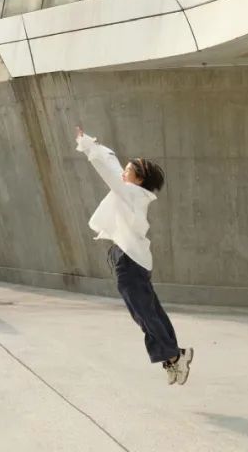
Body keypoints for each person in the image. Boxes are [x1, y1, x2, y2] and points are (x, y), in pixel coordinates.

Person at [74, 126, 194, 385]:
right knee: (150, 311)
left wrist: (88, 147)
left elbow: (108, 172)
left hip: (129, 261)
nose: (123, 172)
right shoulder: (133, 191)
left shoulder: (131, 192)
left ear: (138, 179)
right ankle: (174, 356)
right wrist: (93, 144)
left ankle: (174, 356)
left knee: (143, 314)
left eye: (128, 171)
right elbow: (113, 166)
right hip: (132, 259)